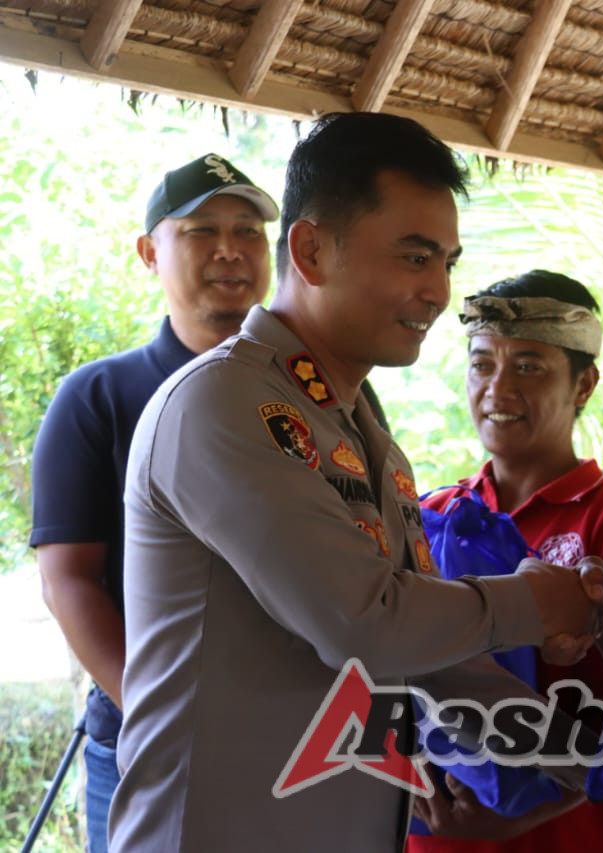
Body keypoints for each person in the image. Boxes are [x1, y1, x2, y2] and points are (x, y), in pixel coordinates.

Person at [110, 113, 603, 852]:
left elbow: (430, 656)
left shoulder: (360, 433)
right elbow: (363, 623)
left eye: (446, 260)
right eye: (414, 257)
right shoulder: (220, 405)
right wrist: (535, 601)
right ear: (311, 249)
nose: (437, 290)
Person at [28, 152, 277, 853]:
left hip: (296, 742)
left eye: (249, 231)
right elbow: (68, 580)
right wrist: (163, 716)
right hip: (147, 748)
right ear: (149, 251)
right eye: (202, 230)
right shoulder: (97, 398)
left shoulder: (317, 395)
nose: (230, 249)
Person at [412, 270, 603, 851]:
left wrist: (515, 821)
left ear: (584, 386)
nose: (498, 389)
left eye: (528, 366)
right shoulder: (436, 515)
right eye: (482, 364)